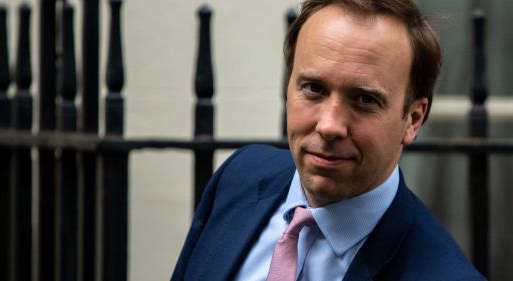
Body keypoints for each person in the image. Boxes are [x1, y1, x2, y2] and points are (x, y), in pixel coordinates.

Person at [172, 0, 486, 280]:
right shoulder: (239, 177)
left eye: (364, 99)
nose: (330, 125)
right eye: (314, 89)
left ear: (413, 119)